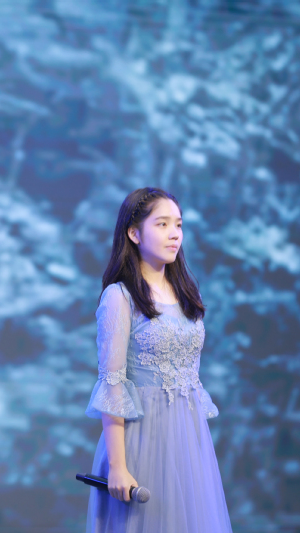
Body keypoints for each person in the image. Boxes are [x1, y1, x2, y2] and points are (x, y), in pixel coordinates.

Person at [84, 187, 232, 532]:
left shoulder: (187, 294)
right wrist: (117, 467)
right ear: (134, 234)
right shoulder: (119, 296)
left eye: (178, 224)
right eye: (162, 224)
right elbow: (112, 383)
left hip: (188, 438)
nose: (174, 233)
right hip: (142, 437)